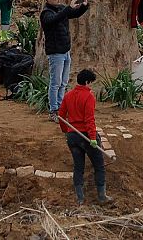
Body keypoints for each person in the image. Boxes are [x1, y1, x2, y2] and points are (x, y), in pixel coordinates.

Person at [57, 68, 110, 205]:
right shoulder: (89, 96)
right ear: (86, 82)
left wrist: (66, 131)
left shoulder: (68, 95)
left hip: (73, 136)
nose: (91, 86)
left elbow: (61, 116)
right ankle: (102, 197)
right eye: (91, 83)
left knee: (78, 167)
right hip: (86, 136)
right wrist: (93, 138)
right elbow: (89, 120)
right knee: (99, 165)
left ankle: (80, 199)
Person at [41, 0, 89, 114]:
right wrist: (68, 8)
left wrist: (84, 6)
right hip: (55, 53)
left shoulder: (61, 8)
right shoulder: (46, 13)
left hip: (65, 51)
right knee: (55, 83)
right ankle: (54, 110)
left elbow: (75, 14)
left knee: (63, 82)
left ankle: (61, 107)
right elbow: (54, 19)